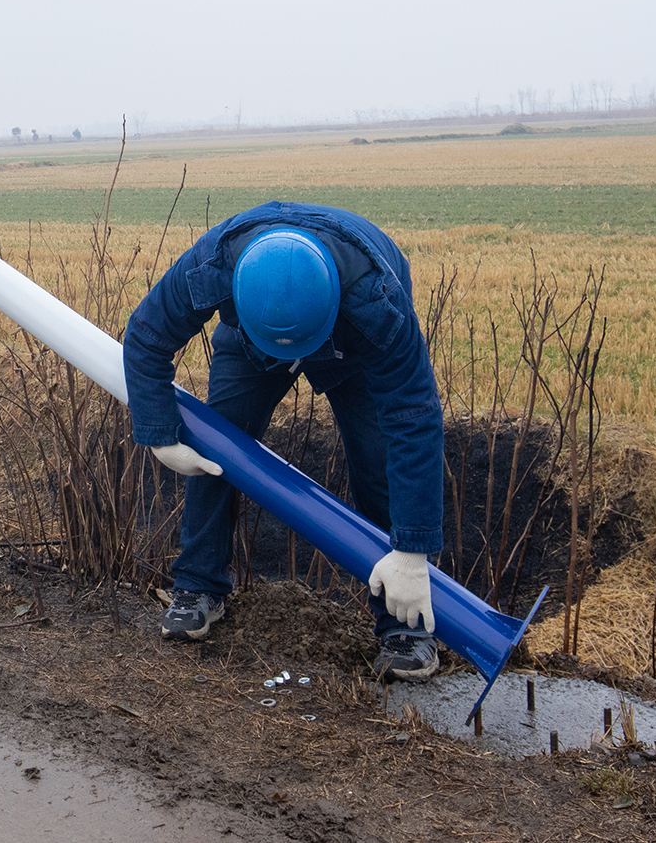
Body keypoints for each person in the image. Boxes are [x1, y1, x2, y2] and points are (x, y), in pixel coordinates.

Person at [122, 201, 448, 682]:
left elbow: (413, 417)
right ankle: (197, 588)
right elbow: (147, 335)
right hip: (253, 341)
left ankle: (406, 629)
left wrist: (413, 552)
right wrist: (158, 434)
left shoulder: (376, 299)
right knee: (217, 447)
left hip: (350, 345)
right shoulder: (215, 265)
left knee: (380, 465)